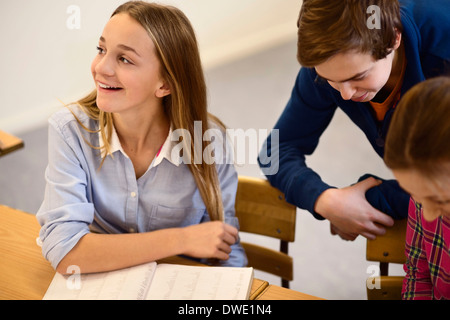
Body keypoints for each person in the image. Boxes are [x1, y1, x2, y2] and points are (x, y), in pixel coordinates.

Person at [37, 1, 247, 274]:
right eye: (101, 50)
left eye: (124, 59)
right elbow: (66, 252)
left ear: (166, 83)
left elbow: (223, 247)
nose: (101, 68)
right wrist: (181, 239)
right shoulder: (69, 130)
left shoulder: (209, 141)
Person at [258, 0, 450, 241]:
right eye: (331, 80)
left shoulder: (442, 48)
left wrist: (375, 200)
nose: (345, 94)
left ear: (394, 39)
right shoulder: (329, 64)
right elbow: (273, 152)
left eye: (358, 76)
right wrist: (326, 200)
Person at [384, 76, 450, 300]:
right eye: (416, 197)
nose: (428, 214)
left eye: (442, 201)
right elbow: (418, 274)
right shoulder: (424, 198)